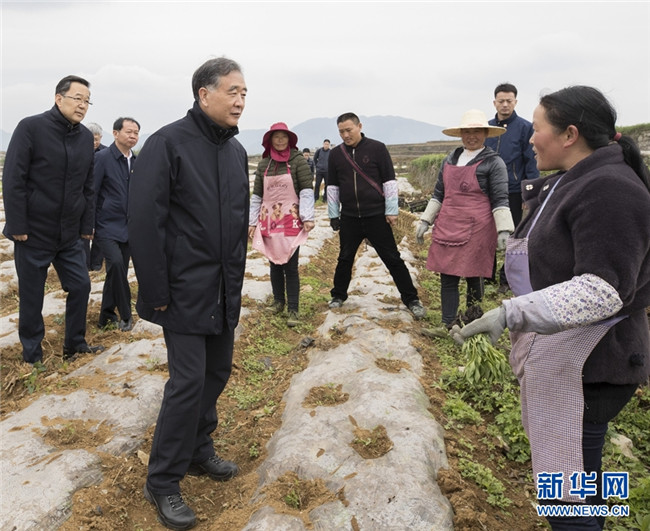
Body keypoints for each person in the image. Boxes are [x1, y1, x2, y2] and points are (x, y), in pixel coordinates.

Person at [451, 86, 650, 531]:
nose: (529, 138)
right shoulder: (573, 178)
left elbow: (602, 289)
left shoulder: (611, 190)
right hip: (571, 358)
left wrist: (510, 313)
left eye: (537, 129)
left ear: (569, 135)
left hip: (592, 365)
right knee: (582, 476)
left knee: (566, 491)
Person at [128, 57, 248, 531]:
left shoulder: (235, 152)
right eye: (232, 91)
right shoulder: (168, 144)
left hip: (222, 288)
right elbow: (145, 221)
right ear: (204, 93)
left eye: (245, 93)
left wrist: (234, 283)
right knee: (188, 382)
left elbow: (235, 224)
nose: (240, 101)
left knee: (217, 371)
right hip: (180, 290)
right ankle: (162, 480)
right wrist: (156, 288)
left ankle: (199, 448)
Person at [2, 75, 104, 364]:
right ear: (59, 98)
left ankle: (75, 344)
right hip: (34, 232)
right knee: (32, 296)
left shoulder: (84, 137)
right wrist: (18, 224)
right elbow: (14, 178)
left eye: (87, 101)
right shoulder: (31, 128)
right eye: (77, 98)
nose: (82, 105)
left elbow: (88, 185)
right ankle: (32, 356)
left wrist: (86, 226)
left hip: (69, 235)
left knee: (81, 285)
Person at [415, 109, 513, 332]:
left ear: (485, 133)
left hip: (478, 227)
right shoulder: (450, 159)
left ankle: (472, 324)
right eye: (467, 132)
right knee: (447, 275)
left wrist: (504, 230)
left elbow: (500, 199)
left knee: (474, 274)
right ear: (460, 134)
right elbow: (438, 194)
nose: (471, 136)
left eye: (477, 131)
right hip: (448, 223)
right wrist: (425, 220)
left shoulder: (493, 162)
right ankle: (448, 324)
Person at [327, 112, 426, 319]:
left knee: (392, 258)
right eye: (341, 132)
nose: (345, 135)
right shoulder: (336, 154)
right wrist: (334, 214)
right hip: (350, 216)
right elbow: (333, 186)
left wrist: (391, 210)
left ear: (359, 126)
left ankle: (411, 299)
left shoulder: (377, 148)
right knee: (345, 258)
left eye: (349, 130)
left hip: (376, 215)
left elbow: (389, 181)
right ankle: (338, 295)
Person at [248, 123, 315, 327]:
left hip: (290, 219)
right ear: (270, 141)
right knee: (274, 262)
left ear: (289, 140)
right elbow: (257, 195)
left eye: (283, 137)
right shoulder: (264, 164)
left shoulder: (297, 161)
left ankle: (293, 308)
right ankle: (278, 301)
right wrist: (252, 222)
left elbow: (306, 190)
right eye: (275, 137)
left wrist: (307, 216)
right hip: (269, 219)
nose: (279, 140)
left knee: (290, 266)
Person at [485, 82, 539, 291]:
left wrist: (529, 191)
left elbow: (531, 161)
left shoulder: (525, 128)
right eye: (501, 101)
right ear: (494, 103)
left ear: (515, 102)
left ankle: (506, 278)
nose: (505, 105)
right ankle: (486, 275)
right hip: (489, 191)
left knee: (513, 234)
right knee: (487, 233)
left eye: (509, 101)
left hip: (514, 190)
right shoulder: (488, 128)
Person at [94, 117, 140, 332]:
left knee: (115, 271)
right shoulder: (102, 158)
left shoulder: (136, 161)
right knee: (116, 265)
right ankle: (126, 314)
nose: (133, 136)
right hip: (106, 225)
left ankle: (105, 316)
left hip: (128, 227)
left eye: (136, 133)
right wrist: (89, 224)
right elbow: (92, 192)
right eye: (129, 131)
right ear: (115, 133)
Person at [83, 122, 107, 271]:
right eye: (91, 139)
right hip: (84, 196)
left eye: (96, 139)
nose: (94, 142)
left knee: (100, 230)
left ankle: (96, 263)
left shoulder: (106, 153)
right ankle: (84, 264)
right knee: (84, 231)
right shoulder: (79, 150)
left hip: (102, 197)